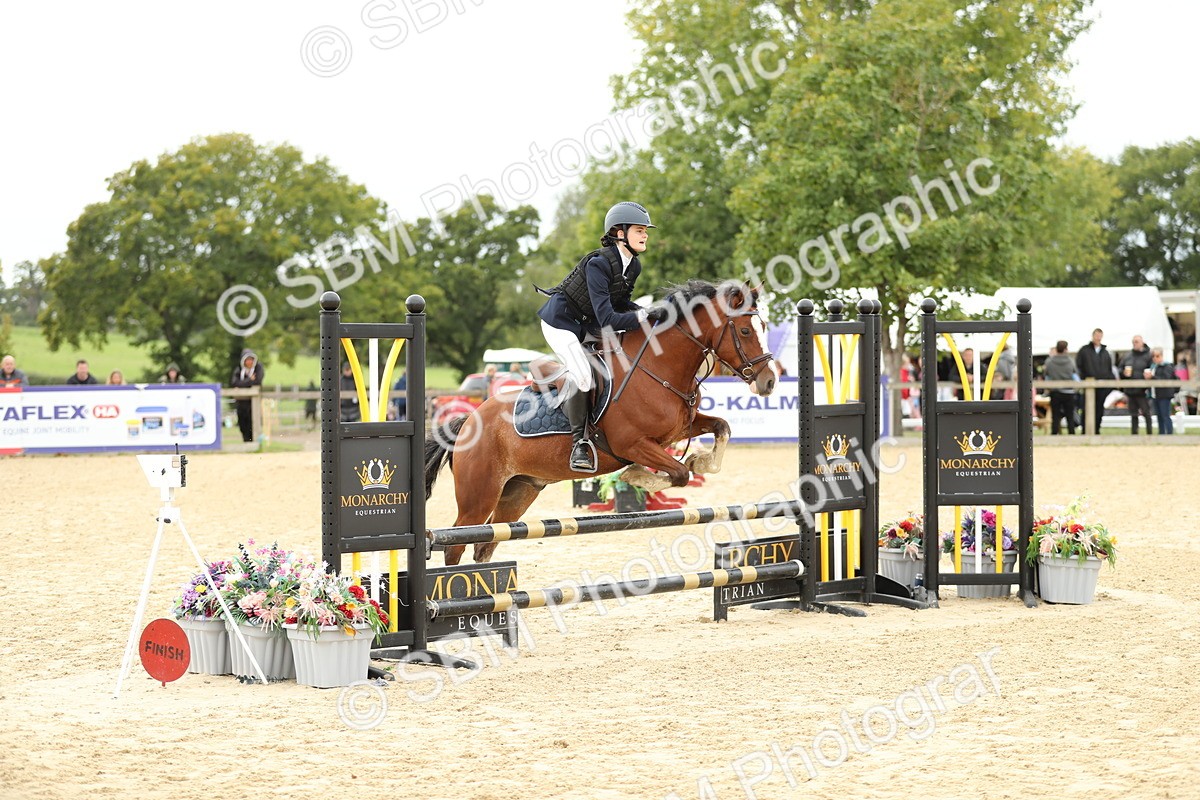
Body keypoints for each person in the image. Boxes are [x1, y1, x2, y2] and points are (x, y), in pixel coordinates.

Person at [536, 201, 668, 471]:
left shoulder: (634, 266)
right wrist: (644, 317)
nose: (645, 235)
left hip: (586, 325)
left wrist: (651, 312)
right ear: (620, 233)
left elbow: (622, 305)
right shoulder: (598, 264)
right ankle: (579, 444)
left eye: (646, 231)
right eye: (640, 230)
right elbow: (608, 317)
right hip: (560, 323)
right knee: (583, 376)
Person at [1075, 328, 1113, 434]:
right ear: (1093, 336)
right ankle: (1085, 430)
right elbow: (1079, 366)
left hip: (1102, 386)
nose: (1098, 338)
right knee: (1086, 408)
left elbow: (1109, 369)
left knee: (1099, 409)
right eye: (1096, 335)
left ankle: (1096, 429)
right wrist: (1083, 379)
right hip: (1088, 384)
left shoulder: (1105, 352)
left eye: (1100, 335)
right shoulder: (1084, 350)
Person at [1118, 335, 1154, 434]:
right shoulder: (1128, 355)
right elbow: (1120, 368)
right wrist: (1123, 373)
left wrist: (1149, 375)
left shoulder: (1148, 355)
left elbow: (1153, 369)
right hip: (1130, 389)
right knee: (1133, 414)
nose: (1135, 343)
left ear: (1142, 342)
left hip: (1143, 390)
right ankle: (1134, 434)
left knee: (1146, 413)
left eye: (1137, 341)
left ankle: (1149, 433)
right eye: (1134, 342)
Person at [1042, 340, 1078, 435]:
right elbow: (1074, 373)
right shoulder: (1070, 361)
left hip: (1055, 392)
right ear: (1066, 349)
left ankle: (1054, 433)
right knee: (1070, 415)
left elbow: (1046, 374)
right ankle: (1071, 433)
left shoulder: (1050, 361)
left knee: (1055, 416)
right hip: (1069, 392)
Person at [230, 349, 264, 443]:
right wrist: (249, 380)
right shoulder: (239, 369)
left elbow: (257, 381)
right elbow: (234, 382)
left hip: (253, 403)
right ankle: (246, 442)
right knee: (243, 424)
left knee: (253, 423)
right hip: (241, 402)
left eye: (251, 359)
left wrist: (241, 384)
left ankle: (254, 442)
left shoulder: (258, 368)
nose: (250, 362)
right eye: (247, 360)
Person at [1149, 347, 1177, 435]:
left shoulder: (1167, 366)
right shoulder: (1154, 367)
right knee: (1159, 416)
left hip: (1164, 395)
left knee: (1165, 416)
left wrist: (1152, 377)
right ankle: (1161, 434)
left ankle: (1169, 433)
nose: (1155, 358)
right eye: (1153, 356)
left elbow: (1165, 379)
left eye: (1157, 356)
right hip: (1155, 394)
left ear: (1161, 356)